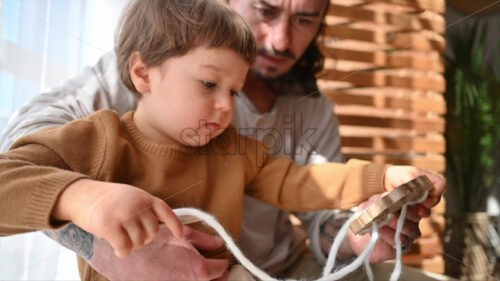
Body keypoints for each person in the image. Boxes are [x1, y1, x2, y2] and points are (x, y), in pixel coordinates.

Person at [0, 0, 447, 280]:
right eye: (210, 85)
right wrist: (83, 198)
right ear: (142, 73)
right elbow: (10, 176)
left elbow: (304, 182)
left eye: (234, 90)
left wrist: (381, 177)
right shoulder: (97, 135)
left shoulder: (238, 150)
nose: (226, 107)